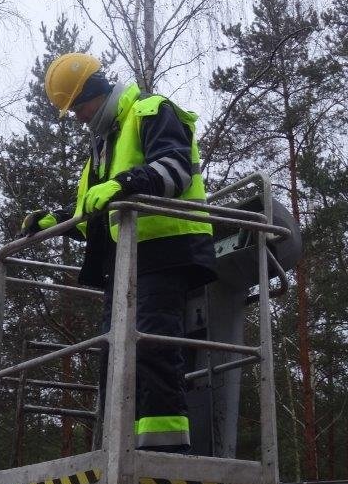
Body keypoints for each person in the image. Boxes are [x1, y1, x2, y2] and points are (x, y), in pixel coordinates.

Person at [21, 53, 216, 452]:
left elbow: (175, 171)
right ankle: (119, 447)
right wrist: (53, 221)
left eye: (77, 106)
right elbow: (92, 213)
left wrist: (126, 184)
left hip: (164, 251)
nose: (76, 117)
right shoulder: (103, 144)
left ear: (95, 92)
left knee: (153, 346)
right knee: (114, 354)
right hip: (123, 262)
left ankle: (165, 451)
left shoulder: (151, 111)